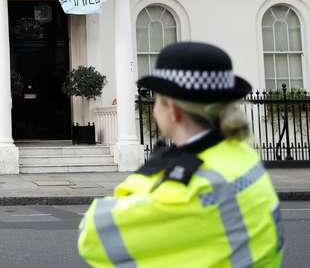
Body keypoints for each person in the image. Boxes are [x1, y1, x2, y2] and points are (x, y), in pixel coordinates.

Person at [79, 41, 283, 267]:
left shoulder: (190, 188)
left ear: (173, 110)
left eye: (156, 99)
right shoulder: (244, 155)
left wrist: (154, 169)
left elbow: (93, 235)